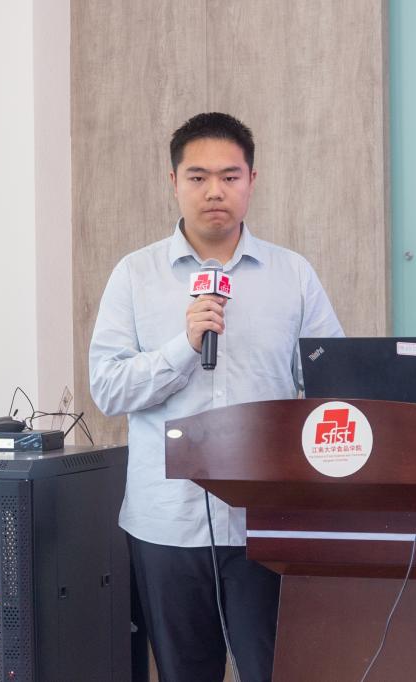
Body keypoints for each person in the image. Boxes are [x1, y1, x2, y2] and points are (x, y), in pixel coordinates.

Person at [89, 112, 343, 682]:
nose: (214, 191)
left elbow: (332, 387)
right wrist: (183, 346)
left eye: (229, 176)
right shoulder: (135, 275)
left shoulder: (292, 275)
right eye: (198, 177)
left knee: (278, 671)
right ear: (173, 182)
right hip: (168, 521)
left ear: (252, 180)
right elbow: (107, 388)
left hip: (268, 522)